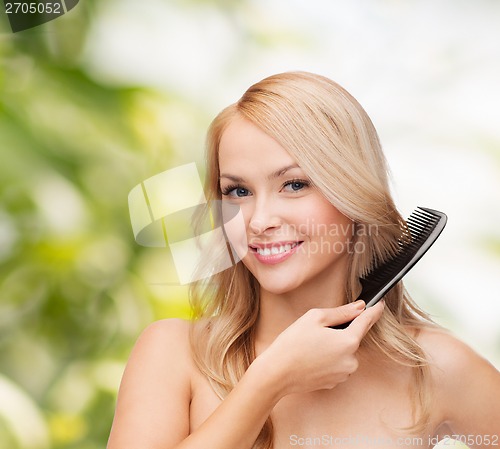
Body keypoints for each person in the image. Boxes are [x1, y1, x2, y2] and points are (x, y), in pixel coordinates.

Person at [106, 72, 500, 449]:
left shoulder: (436, 368)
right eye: (238, 191)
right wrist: (268, 382)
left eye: (294, 185)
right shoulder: (175, 353)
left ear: (352, 190)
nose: (259, 221)